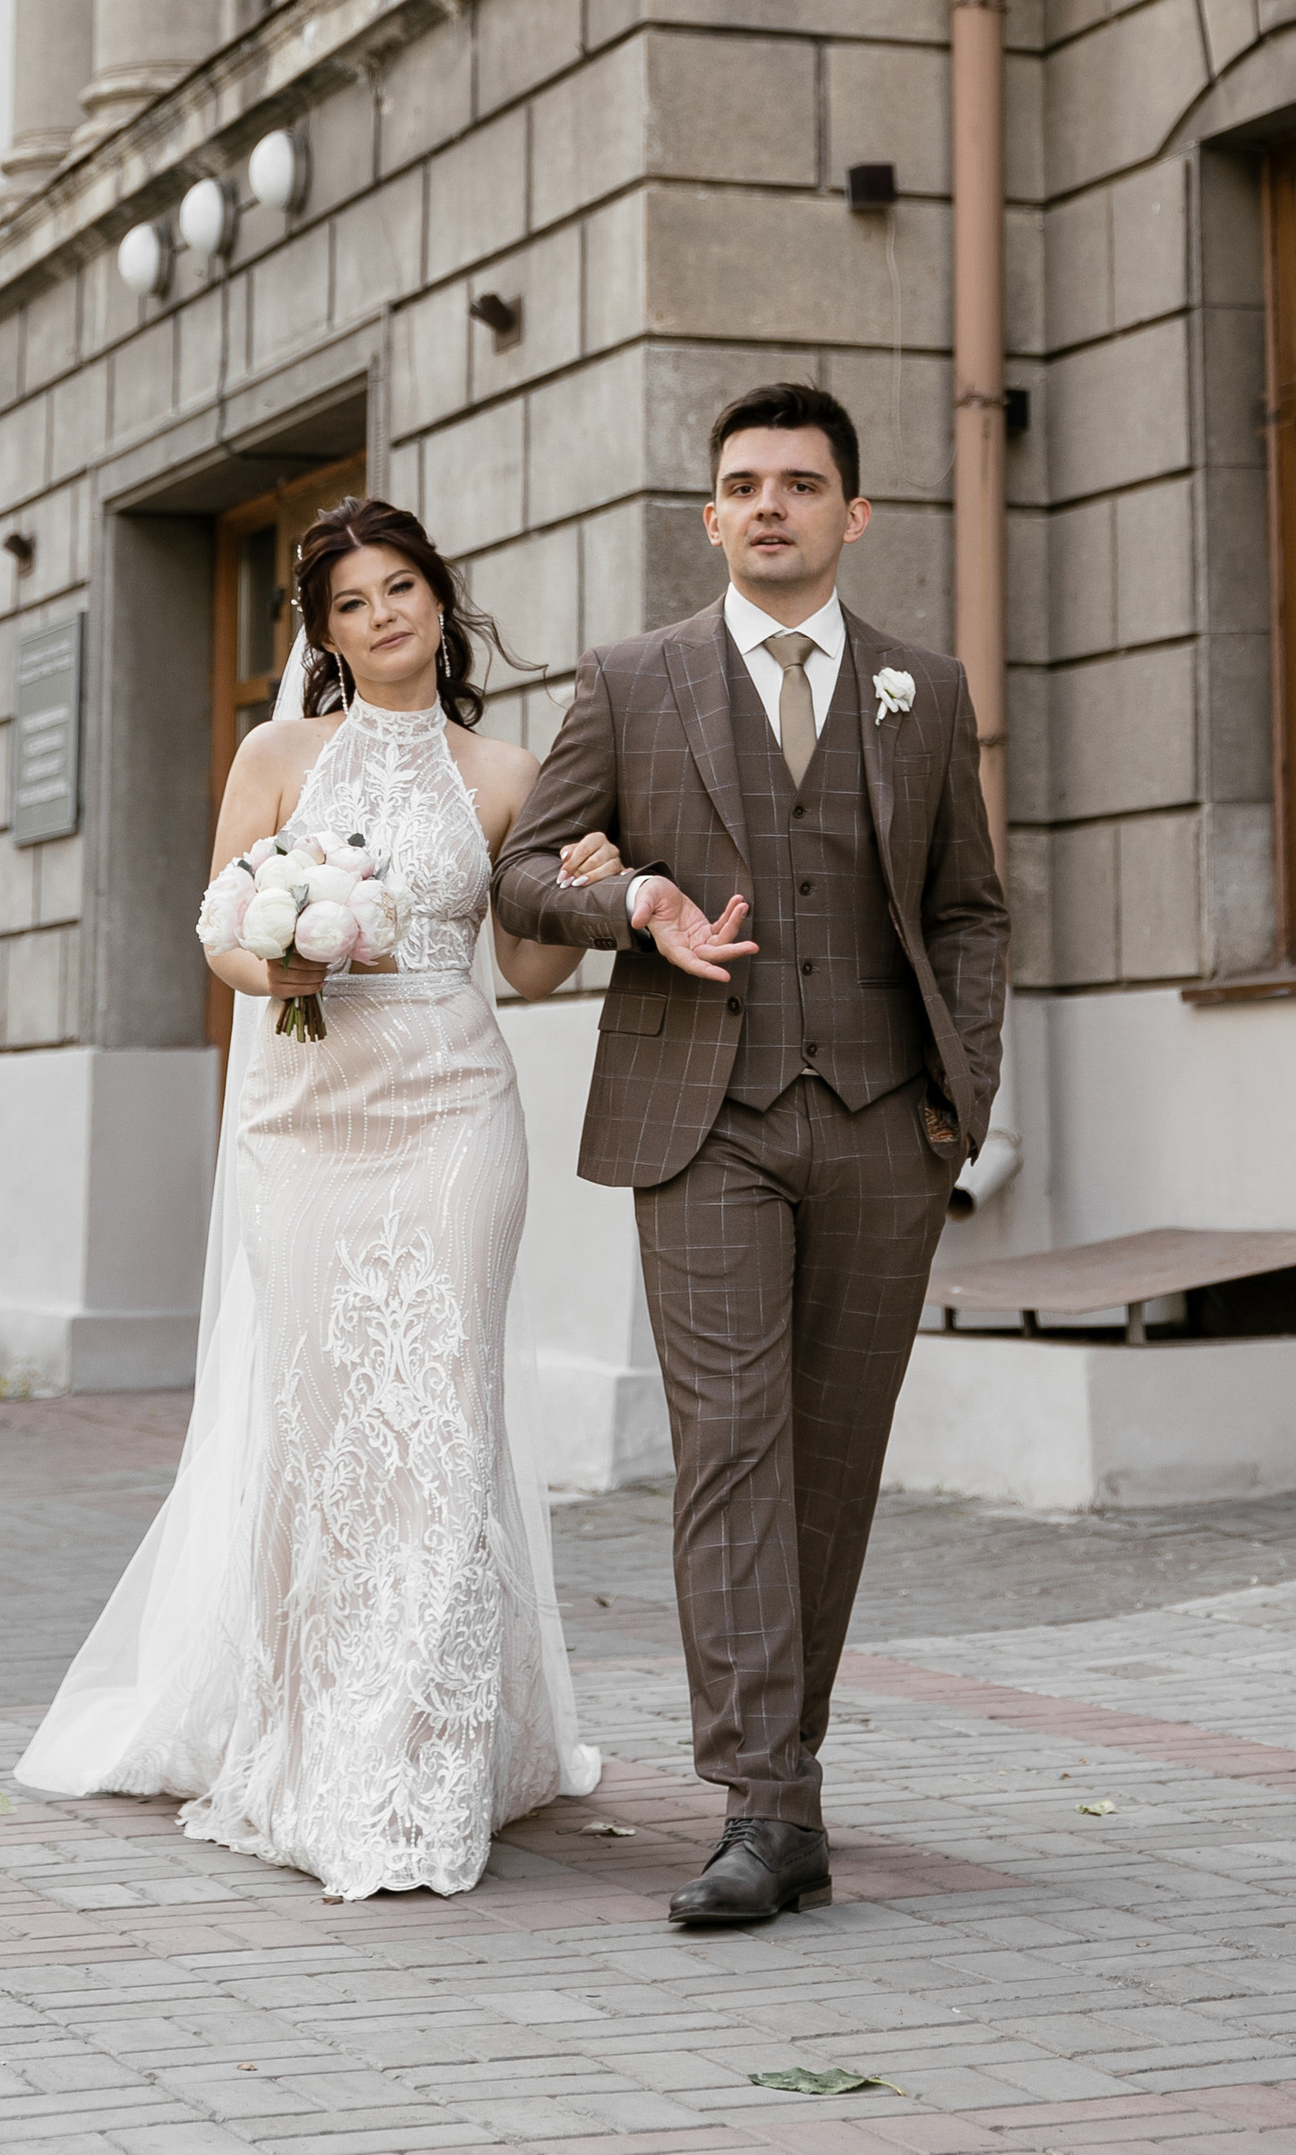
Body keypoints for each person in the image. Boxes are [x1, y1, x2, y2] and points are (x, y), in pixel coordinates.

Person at [16, 495, 606, 1898]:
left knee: (442, 1422)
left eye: (402, 588)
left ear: (441, 600)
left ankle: (428, 1753)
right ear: (325, 633)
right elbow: (221, 926)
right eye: (352, 603)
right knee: (322, 1421)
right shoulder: (278, 753)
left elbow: (524, 978)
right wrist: (273, 965)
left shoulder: (510, 774)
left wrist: (581, 893)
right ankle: (310, 1729)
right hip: (304, 1121)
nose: (383, 616)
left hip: (453, 1111)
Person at [494, 382, 1007, 1930]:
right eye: (743, 483)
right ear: (709, 517)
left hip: (879, 1124)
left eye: (801, 482)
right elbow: (520, 874)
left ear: (855, 516)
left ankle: (787, 1787)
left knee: (832, 1462)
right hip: (704, 1118)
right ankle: (760, 1804)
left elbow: (971, 907)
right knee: (731, 1447)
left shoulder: (924, 686)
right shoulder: (632, 681)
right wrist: (628, 900)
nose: (770, 503)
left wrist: (957, 1102)